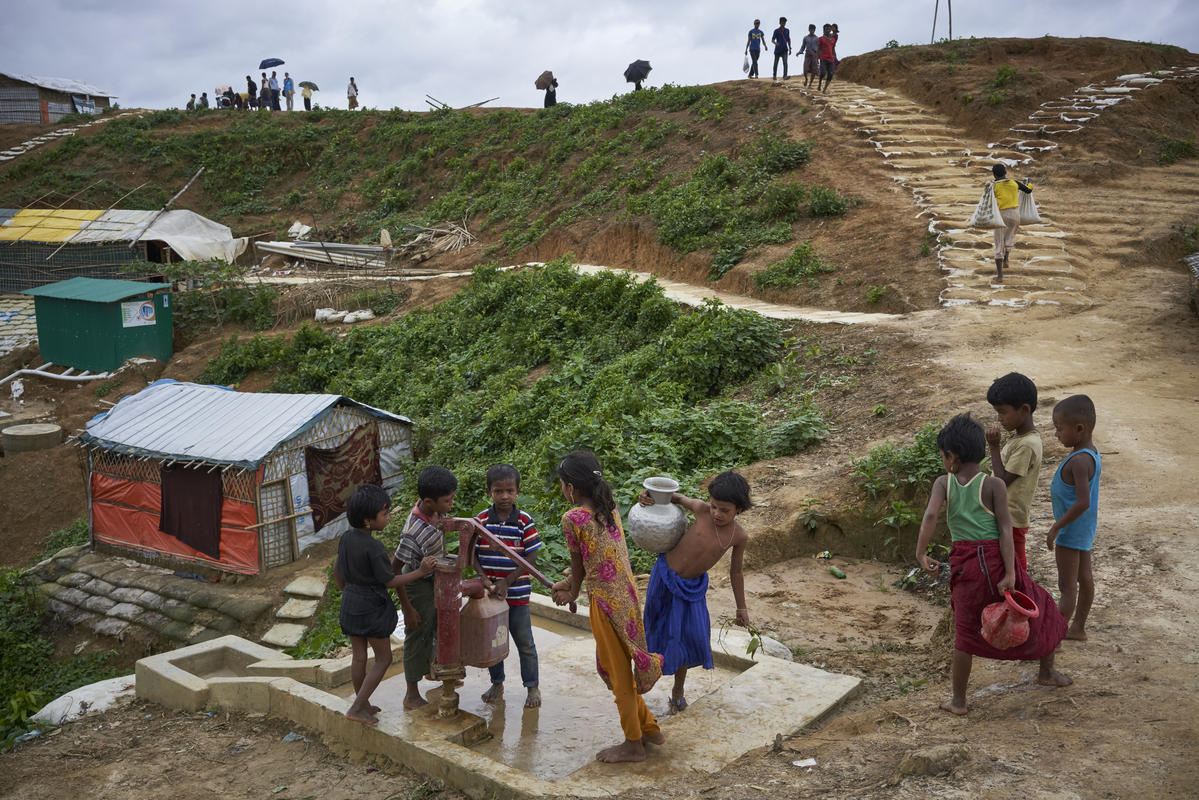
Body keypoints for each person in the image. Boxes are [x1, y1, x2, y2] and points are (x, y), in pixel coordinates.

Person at [915, 414, 1070, 716]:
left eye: (943, 456)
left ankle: (958, 701)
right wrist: (1011, 573)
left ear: (953, 457)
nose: (943, 461)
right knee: (1042, 607)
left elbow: (931, 517)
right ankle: (1047, 670)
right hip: (997, 562)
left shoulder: (943, 484)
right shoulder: (994, 485)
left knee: (965, 633)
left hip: (965, 566)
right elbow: (1004, 529)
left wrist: (921, 554)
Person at [551, 451, 664, 764]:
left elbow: (578, 571)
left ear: (571, 489)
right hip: (627, 599)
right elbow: (594, 559)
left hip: (604, 605)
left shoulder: (573, 518)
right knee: (618, 670)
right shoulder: (608, 509)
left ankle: (634, 744)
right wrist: (571, 584)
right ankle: (650, 729)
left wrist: (569, 591)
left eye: (562, 485)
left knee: (618, 676)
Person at [640, 471, 751, 713]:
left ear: (739, 510)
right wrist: (648, 496)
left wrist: (741, 607)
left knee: (688, 637)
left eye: (725, 510)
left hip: (691, 589)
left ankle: (678, 690)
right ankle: (640, 679)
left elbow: (736, 573)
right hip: (665, 577)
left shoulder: (739, 536)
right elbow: (674, 497)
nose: (717, 514)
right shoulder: (700, 510)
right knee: (653, 628)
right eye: (714, 507)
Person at [334, 485, 437, 726]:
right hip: (370, 607)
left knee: (359, 657)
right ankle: (358, 707)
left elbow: (339, 570)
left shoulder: (346, 538)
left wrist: (347, 593)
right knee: (383, 658)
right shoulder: (374, 547)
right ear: (368, 521)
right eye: (385, 514)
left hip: (350, 603)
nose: (389, 517)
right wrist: (421, 571)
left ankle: (364, 701)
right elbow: (391, 580)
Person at [474, 464, 543, 708]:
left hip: (517, 596)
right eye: (498, 491)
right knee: (493, 642)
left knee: (525, 643)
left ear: (517, 492)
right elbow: (471, 553)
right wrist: (482, 577)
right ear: (489, 492)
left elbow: (531, 557)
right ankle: (497, 682)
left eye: (509, 491)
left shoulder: (524, 521)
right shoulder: (480, 521)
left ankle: (532, 686)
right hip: (491, 598)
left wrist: (508, 580)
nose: (504, 496)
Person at [392, 465, 457, 710]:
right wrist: (407, 609)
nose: (451, 504)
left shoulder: (433, 513)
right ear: (429, 502)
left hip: (434, 579)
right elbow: (395, 568)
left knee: (438, 625)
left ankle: (434, 671)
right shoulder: (413, 531)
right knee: (417, 633)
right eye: (447, 500)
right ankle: (411, 693)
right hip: (417, 583)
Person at [1048, 395, 1101, 643]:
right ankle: (1077, 627)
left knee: (1067, 587)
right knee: (1085, 577)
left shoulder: (1079, 460)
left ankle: (1054, 639)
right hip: (1084, 528)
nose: (1057, 434)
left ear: (1079, 428)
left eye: (1059, 429)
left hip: (1070, 531)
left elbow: (1082, 501)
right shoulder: (1090, 453)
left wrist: (1056, 527)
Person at [985, 372, 1043, 573]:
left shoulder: (1027, 445)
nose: (999, 419)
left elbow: (1001, 481)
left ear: (1024, 409)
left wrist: (993, 447)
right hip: (1004, 515)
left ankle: (1020, 595)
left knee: (1016, 564)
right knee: (1006, 561)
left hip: (1012, 519)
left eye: (1002, 412)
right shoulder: (1019, 439)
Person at [991, 163, 1033, 283]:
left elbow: (989, 199)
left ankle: (1000, 276)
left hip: (1001, 216)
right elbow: (1028, 190)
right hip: (1015, 214)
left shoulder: (994, 186)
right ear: (1006, 172)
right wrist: (1029, 181)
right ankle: (1006, 258)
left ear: (994, 175)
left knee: (999, 242)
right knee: (1009, 237)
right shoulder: (1014, 183)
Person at [817, 23, 839, 92]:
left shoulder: (833, 39)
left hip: (831, 59)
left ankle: (824, 89)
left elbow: (833, 49)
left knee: (831, 74)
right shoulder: (821, 39)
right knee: (823, 73)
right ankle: (820, 83)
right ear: (823, 30)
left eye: (829, 29)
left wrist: (835, 57)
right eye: (826, 29)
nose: (828, 30)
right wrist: (817, 58)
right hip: (823, 58)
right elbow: (818, 49)